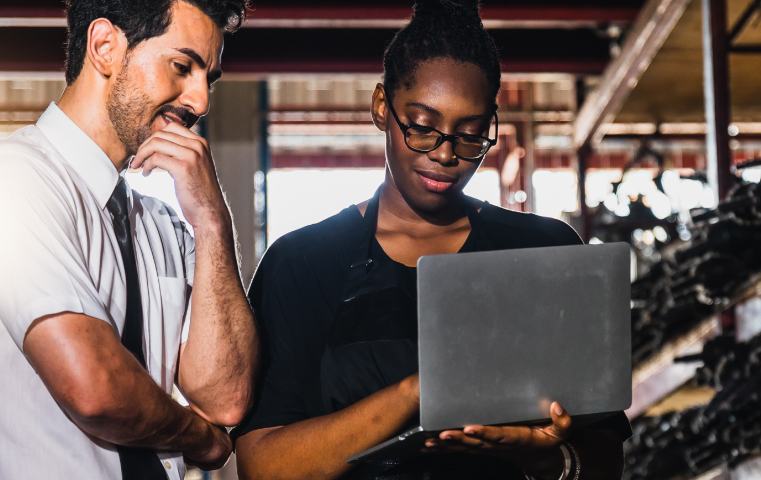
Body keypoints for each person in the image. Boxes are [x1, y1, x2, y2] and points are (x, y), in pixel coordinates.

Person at [232, 1, 631, 479]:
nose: (444, 153)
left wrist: (541, 455)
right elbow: (264, 466)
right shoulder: (303, 263)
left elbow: (606, 459)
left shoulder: (546, 251)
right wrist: (418, 393)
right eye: (422, 127)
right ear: (383, 107)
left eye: (471, 134)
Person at [0, 1, 258, 479]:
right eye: (182, 66)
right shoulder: (13, 179)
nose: (200, 101)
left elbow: (225, 399)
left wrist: (212, 220)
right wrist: (199, 439)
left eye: (210, 79)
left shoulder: (163, 225)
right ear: (104, 47)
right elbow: (94, 388)